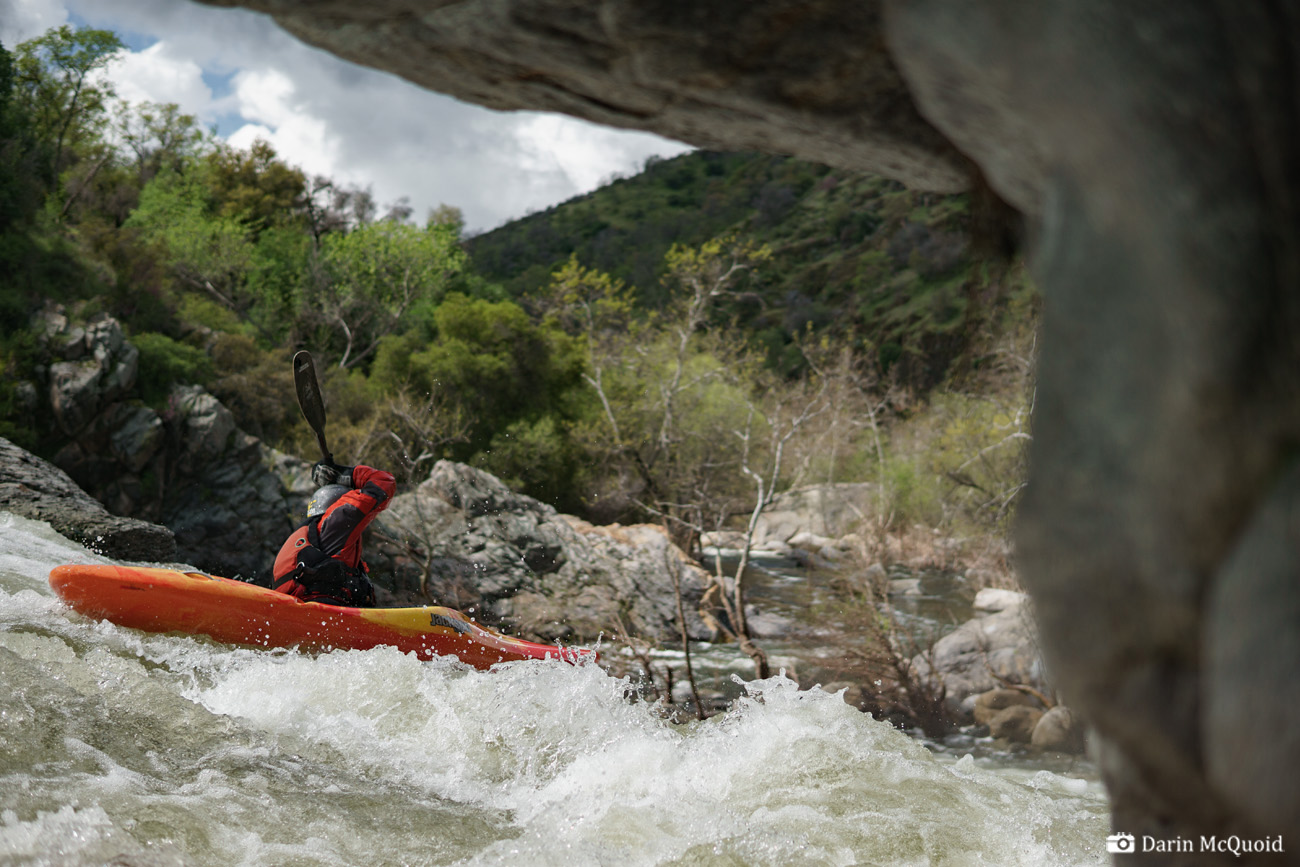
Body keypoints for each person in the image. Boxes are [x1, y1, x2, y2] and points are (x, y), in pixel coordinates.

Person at [271, 459, 396, 607]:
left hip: (297, 608)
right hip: (322, 609)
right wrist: (346, 475)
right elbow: (384, 482)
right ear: (339, 503)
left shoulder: (311, 536)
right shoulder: (337, 520)